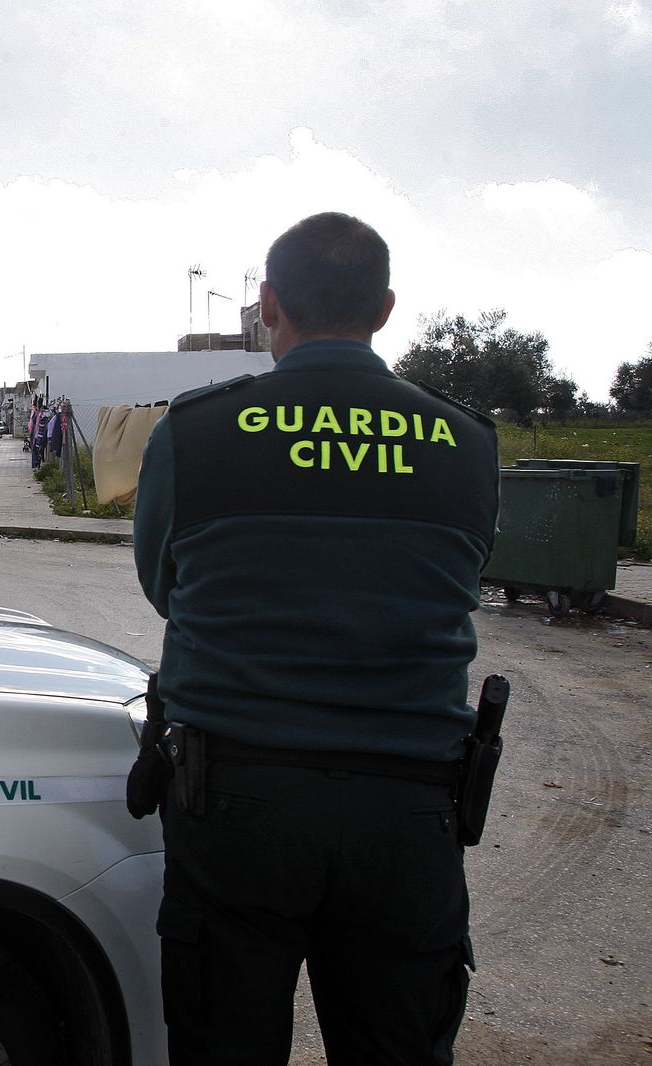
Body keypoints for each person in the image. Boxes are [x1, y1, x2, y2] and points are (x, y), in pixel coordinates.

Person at [132, 212, 499, 1064]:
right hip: (410, 815)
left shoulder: (195, 430)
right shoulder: (466, 442)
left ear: (267, 305)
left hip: (234, 807)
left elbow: (166, 589)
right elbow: (459, 579)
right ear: (386, 307)